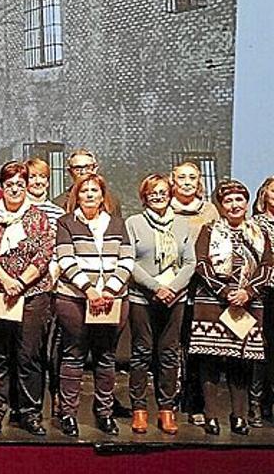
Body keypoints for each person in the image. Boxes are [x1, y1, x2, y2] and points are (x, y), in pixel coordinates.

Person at [189, 180, 272, 436]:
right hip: (213, 303)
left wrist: (248, 292)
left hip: (249, 303)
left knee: (242, 362)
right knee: (210, 359)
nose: (235, 205)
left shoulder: (259, 232)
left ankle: (238, 416)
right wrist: (225, 292)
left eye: (239, 200)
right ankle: (211, 415)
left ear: (247, 203)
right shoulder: (209, 230)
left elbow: (268, 266)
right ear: (221, 205)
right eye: (228, 200)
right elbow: (201, 264)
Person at [54, 173, 134, 437]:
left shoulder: (118, 224)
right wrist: (88, 290)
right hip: (74, 299)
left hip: (112, 299)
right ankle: (68, 414)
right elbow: (65, 259)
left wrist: (109, 290)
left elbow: (126, 260)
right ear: (77, 195)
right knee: (73, 356)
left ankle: (105, 414)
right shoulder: (66, 223)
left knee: (105, 357)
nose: (89, 195)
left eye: (94, 191)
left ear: (102, 196)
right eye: (84, 191)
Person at [0, 161, 54, 436]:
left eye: (20, 184)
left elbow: (44, 255)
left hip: (33, 295)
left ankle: (29, 413)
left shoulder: (39, 218)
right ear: (2, 186)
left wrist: (21, 282)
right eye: (9, 184)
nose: (14, 189)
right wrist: (6, 281)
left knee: (29, 356)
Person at [125, 174, 196, 435]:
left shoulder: (182, 224)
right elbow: (129, 261)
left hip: (174, 298)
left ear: (170, 194)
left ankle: (167, 410)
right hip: (142, 297)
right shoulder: (134, 223)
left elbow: (190, 262)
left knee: (168, 354)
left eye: (162, 192)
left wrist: (172, 288)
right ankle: (139, 410)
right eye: (152, 192)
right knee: (142, 353)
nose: (158, 196)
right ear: (144, 196)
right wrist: (156, 287)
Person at [171, 160, 219, 426]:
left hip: (202, 287)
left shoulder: (210, 211)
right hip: (172, 285)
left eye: (192, 177)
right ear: (173, 180)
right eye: (182, 177)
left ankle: (195, 404)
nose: (187, 182)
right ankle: (169, 403)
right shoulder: (165, 207)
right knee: (170, 347)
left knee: (197, 348)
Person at [25, 157, 66, 419]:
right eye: (33, 178)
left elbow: (60, 251)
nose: (39, 182)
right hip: (23, 288)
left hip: (52, 287)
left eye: (43, 178)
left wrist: (52, 275)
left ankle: (57, 399)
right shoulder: (16, 210)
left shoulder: (57, 213)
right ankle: (28, 404)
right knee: (29, 350)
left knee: (54, 348)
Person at [251, 176, 274, 426]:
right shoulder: (255, 225)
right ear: (264, 194)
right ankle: (257, 403)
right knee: (261, 349)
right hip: (264, 292)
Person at [53, 149, 122, 217]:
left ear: (95, 168)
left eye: (88, 167)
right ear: (70, 172)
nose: (83, 172)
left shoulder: (111, 201)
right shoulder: (59, 204)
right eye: (77, 169)